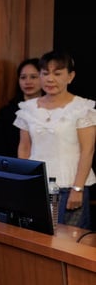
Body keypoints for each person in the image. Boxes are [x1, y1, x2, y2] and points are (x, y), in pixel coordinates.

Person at [16, 50, 95, 230]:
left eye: (57, 74)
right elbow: (24, 148)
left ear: (70, 76)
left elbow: (87, 151)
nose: (50, 79)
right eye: (45, 73)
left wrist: (78, 188)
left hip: (69, 187)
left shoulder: (82, 107)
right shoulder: (28, 108)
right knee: (36, 237)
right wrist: (23, 183)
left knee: (68, 240)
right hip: (36, 187)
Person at [0, 58, 42, 156]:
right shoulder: (6, 112)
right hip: (15, 163)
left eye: (33, 77)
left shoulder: (53, 109)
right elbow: (0, 150)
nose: (28, 82)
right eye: (23, 77)